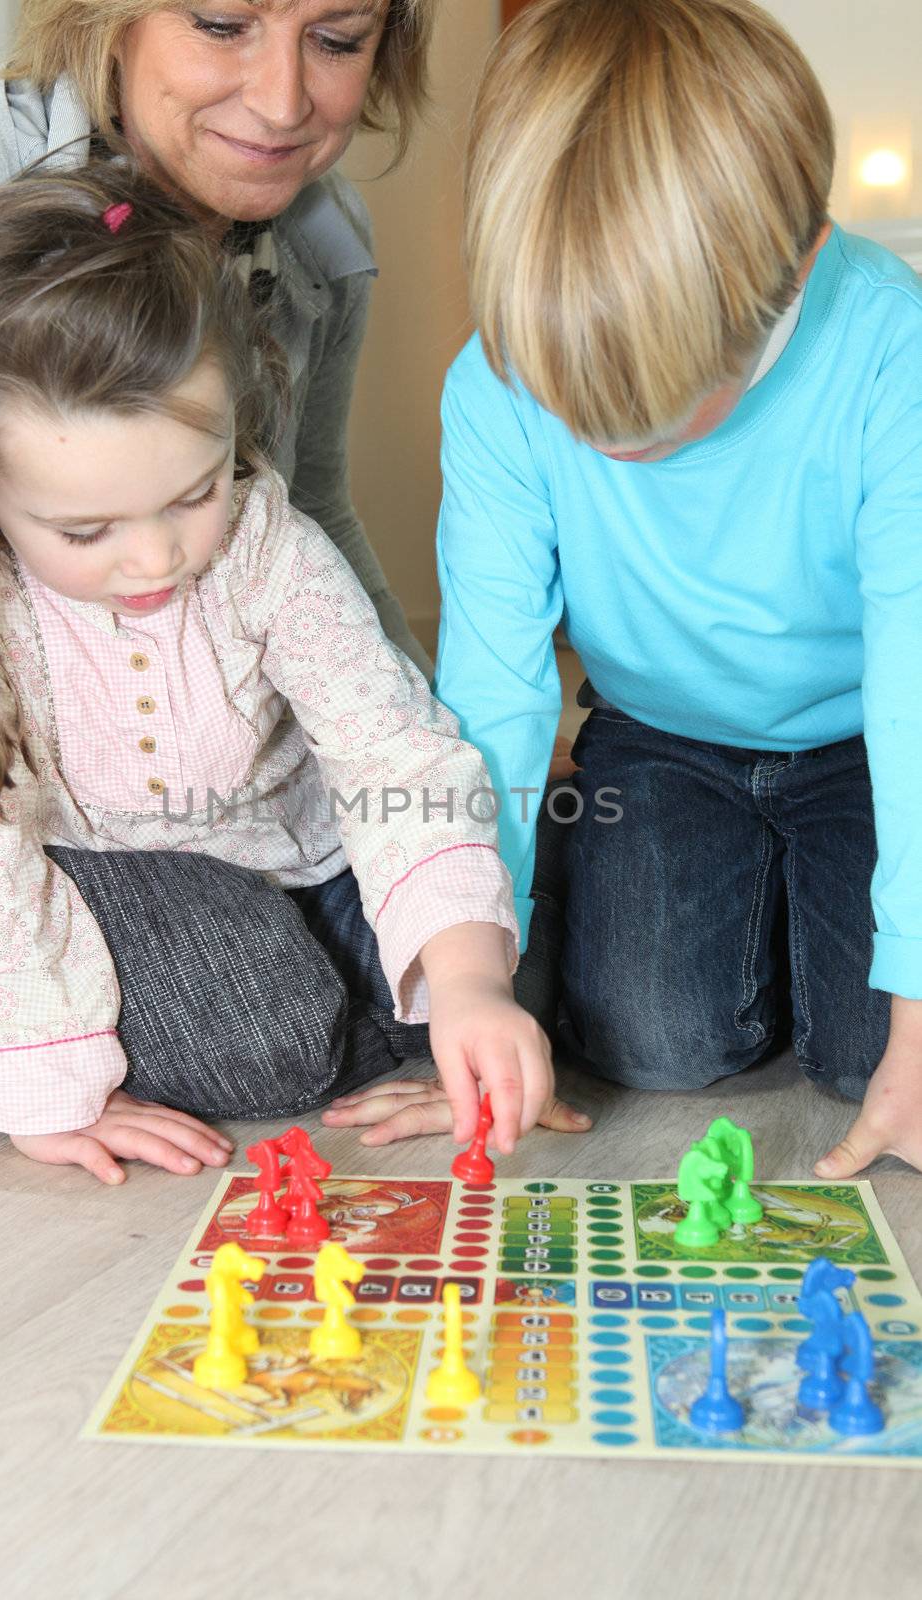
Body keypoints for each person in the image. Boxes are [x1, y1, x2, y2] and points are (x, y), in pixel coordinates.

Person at [0, 164, 583, 1181]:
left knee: (530, 942)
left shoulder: (262, 539)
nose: (154, 560)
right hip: (94, 866)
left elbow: (393, 753)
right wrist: (43, 1096)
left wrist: (466, 984)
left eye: (191, 493)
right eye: (85, 529)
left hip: (298, 852)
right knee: (261, 1012)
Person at [329, 0, 922, 1176]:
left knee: (872, 1057)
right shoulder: (491, 384)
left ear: (795, 261)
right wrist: (472, 988)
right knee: (648, 1038)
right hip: (658, 738)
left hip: (864, 740)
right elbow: (491, 698)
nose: (613, 452)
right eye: (572, 406)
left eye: (660, 407)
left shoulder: (889, 350)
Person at [0, 0, 438, 863]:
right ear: (101, 15)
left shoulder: (322, 237)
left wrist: (438, 744)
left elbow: (315, 512)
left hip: (232, 792)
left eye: (336, 40)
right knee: (248, 967)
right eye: (219, 24)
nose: (283, 103)